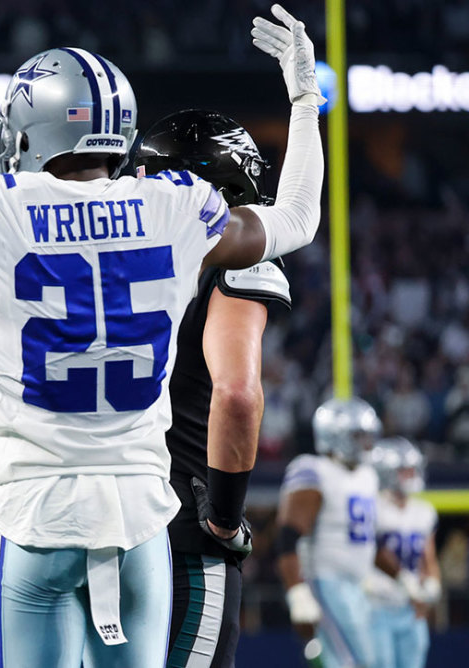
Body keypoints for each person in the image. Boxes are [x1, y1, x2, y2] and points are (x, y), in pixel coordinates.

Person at [0, 1, 324, 664]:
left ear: (35, 125)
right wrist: (306, 97)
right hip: (142, 516)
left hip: (36, 514)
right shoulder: (178, 204)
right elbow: (298, 219)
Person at [132, 110, 290, 668]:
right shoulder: (235, 260)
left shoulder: (105, 251)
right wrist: (223, 517)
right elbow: (238, 393)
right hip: (181, 525)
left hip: (103, 511)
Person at [276, 398, 410, 668]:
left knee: (371, 661)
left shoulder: (367, 476)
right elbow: (287, 537)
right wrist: (296, 592)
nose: (367, 443)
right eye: (359, 435)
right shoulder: (313, 470)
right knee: (354, 661)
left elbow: (369, 541)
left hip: (359, 585)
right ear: (336, 435)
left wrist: (403, 578)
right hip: (326, 581)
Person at [364, 437, 440, 668]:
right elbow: (372, 552)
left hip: (410, 606)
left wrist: (431, 585)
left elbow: (428, 558)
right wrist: (405, 581)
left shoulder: (424, 512)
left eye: (413, 469)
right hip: (376, 604)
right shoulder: (372, 506)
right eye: (404, 470)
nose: (411, 475)